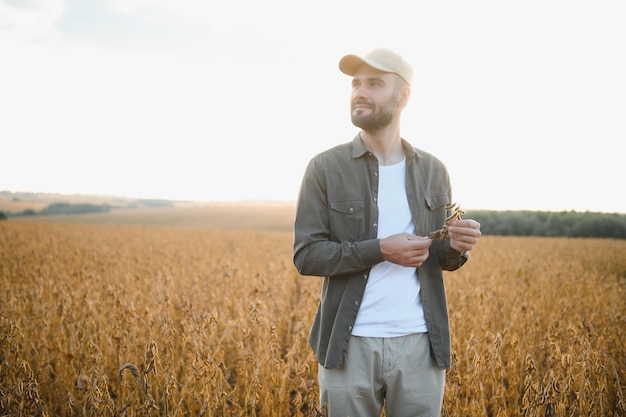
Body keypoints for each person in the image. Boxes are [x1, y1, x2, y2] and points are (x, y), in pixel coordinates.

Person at [292, 48, 482, 417]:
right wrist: (380, 249)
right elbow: (307, 255)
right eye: (356, 84)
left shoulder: (434, 170)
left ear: (404, 96)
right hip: (349, 345)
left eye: (374, 84)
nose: (360, 92)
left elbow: (439, 256)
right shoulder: (324, 168)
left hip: (420, 345)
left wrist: (457, 246)